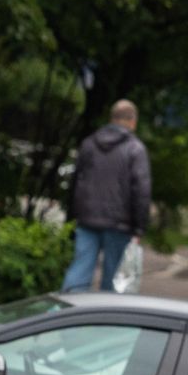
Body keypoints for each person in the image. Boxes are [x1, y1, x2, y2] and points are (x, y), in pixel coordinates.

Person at [61, 99, 150, 293]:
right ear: (132, 121)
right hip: (120, 224)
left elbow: (76, 181)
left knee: (79, 271)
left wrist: (74, 213)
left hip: (87, 218)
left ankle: (68, 314)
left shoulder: (89, 143)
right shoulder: (135, 149)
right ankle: (106, 321)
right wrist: (139, 228)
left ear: (112, 118)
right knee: (113, 281)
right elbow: (141, 191)